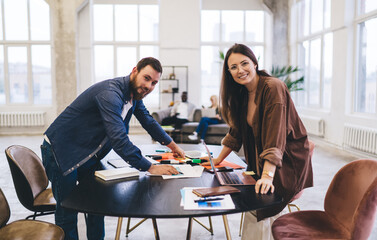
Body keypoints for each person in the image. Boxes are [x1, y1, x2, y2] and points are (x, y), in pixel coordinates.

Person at [40, 57, 185, 240]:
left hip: (86, 152)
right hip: (61, 151)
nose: (149, 86)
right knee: (67, 210)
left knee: (97, 202)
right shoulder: (111, 94)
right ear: (134, 71)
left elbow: (148, 121)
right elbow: (119, 140)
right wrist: (150, 167)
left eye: (154, 82)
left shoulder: (133, 95)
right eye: (146, 78)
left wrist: (173, 146)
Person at [203, 44, 313, 239]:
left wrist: (268, 175)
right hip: (267, 160)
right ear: (229, 73)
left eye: (244, 63)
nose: (240, 70)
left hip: (286, 163)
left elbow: (275, 135)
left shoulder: (273, 87)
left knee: (261, 198)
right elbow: (236, 132)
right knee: (248, 192)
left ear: (255, 63)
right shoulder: (242, 94)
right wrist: (218, 159)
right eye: (234, 67)